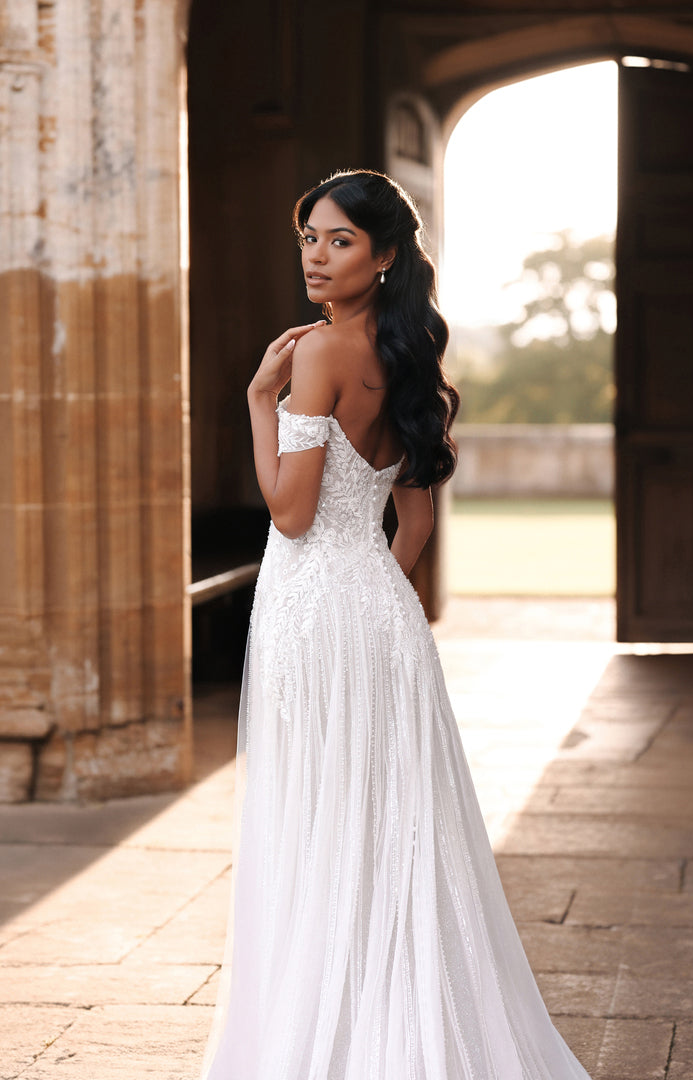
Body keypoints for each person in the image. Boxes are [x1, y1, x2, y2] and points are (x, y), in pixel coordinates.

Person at [200, 170, 592, 1080]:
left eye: (338, 240)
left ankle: (327, 1039)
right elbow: (410, 525)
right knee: (388, 822)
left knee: (315, 817)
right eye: (308, 237)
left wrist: (258, 403)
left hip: (311, 610)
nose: (315, 255)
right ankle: (397, 1024)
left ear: (382, 257)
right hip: (381, 614)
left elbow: (291, 517)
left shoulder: (316, 354)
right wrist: (369, 597)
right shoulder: (409, 354)